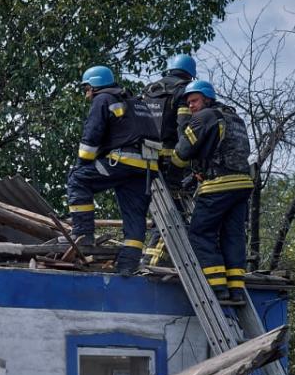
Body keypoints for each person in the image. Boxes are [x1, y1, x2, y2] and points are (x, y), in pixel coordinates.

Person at [66, 65, 158, 274]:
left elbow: (92, 135)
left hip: (122, 161)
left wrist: (82, 164)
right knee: (135, 216)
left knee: (78, 180)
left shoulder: (103, 99)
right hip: (146, 168)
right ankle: (128, 264)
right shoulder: (137, 102)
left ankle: (83, 235)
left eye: (86, 89)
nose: (86, 95)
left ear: (94, 86)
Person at [171, 79, 254, 303]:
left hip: (218, 184)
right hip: (243, 185)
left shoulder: (204, 117)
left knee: (200, 233)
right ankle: (236, 288)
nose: (191, 106)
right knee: (233, 235)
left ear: (207, 99)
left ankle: (217, 287)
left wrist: (173, 172)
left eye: (195, 101)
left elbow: (182, 153)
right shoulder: (235, 118)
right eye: (188, 103)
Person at [143, 54, 197, 188]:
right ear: (191, 74)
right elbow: (184, 126)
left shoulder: (150, 89)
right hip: (172, 157)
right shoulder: (185, 89)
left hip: (146, 155)